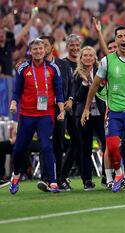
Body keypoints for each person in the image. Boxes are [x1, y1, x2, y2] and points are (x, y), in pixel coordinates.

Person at [81, 26, 125, 195]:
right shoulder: (106, 61)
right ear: (116, 40)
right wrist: (87, 108)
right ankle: (119, 173)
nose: (123, 39)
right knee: (111, 147)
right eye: (119, 36)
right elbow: (95, 86)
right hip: (114, 113)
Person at [9, 38, 65, 194]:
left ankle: (53, 182)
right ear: (30, 51)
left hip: (46, 114)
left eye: (41, 48)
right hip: (26, 114)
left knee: (46, 146)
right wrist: (14, 103)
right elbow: (16, 91)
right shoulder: (23, 69)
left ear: (45, 50)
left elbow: (59, 91)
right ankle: (15, 175)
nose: (38, 51)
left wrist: (61, 110)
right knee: (19, 149)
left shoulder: (54, 68)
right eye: (35, 49)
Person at [38, 35, 73, 191]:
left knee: (58, 144)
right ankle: (46, 178)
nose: (42, 49)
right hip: (42, 110)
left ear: (52, 47)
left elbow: (71, 84)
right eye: (39, 46)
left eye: (45, 45)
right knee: (45, 143)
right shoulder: (35, 66)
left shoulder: (63, 65)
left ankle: (57, 178)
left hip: (59, 110)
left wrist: (70, 99)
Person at [73, 46, 106, 191]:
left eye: (90, 55)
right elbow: (77, 98)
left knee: (107, 145)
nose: (87, 58)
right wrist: (85, 83)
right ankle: (87, 180)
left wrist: (93, 83)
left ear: (94, 58)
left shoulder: (102, 72)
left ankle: (107, 177)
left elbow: (103, 91)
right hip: (83, 115)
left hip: (100, 113)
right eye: (85, 55)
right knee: (84, 148)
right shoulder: (76, 75)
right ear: (80, 58)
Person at [61, 34, 82, 187]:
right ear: (67, 47)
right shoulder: (62, 64)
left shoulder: (85, 62)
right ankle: (60, 176)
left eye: (77, 45)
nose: (75, 48)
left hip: (81, 110)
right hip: (67, 109)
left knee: (78, 145)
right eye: (72, 45)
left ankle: (62, 176)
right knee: (70, 144)